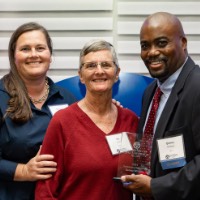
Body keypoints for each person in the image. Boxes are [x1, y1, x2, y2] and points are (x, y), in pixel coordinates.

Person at [35, 39, 139, 200]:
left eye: (106, 64)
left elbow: (140, 176)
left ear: (117, 73)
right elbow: (45, 192)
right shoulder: (62, 122)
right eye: (91, 66)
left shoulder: (131, 121)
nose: (99, 71)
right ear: (81, 76)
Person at [121, 12, 200, 200]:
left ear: (183, 43)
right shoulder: (151, 92)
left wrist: (157, 187)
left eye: (162, 43)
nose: (152, 52)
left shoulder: (197, 87)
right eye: (145, 46)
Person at [0, 22, 76, 200]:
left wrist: (108, 107)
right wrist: (23, 170)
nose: (34, 54)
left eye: (40, 48)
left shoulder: (67, 99)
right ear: (14, 56)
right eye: (25, 49)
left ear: (50, 55)